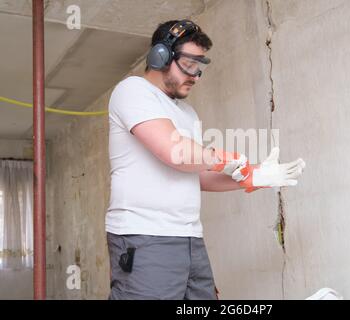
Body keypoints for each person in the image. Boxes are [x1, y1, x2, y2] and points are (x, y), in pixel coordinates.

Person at [105, 19, 306, 300]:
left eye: (200, 66)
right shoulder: (133, 91)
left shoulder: (187, 113)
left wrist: (253, 176)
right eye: (189, 64)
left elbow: (195, 173)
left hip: (189, 239)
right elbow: (174, 151)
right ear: (160, 56)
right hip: (144, 237)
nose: (196, 75)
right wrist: (222, 158)